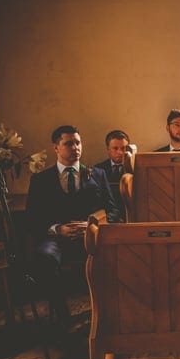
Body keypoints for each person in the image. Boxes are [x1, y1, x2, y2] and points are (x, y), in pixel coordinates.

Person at [26, 124, 114, 323]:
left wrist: (92, 225)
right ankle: (62, 316)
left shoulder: (97, 174)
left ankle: (102, 313)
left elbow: (113, 210)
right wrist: (58, 228)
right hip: (56, 238)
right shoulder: (40, 180)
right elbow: (32, 218)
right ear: (56, 148)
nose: (75, 147)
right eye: (69, 144)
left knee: (110, 255)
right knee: (45, 257)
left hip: (89, 236)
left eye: (78, 143)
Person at [94, 129, 131, 222]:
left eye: (124, 148)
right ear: (108, 149)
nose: (120, 152)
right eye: (115, 148)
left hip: (130, 215)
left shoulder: (135, 169)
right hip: (108, 218)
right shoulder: (98, 170)